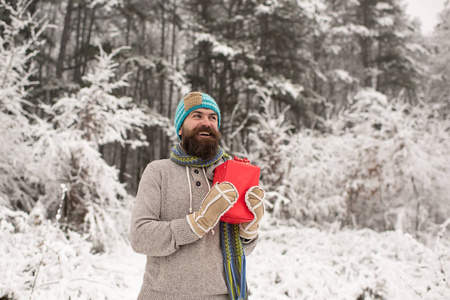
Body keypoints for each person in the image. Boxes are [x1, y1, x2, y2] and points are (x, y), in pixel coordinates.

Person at [130, 91, 265, 300]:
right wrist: (196, 224)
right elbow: (140, 237)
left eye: (212, 117)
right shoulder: (158, 172)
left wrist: (249, 231)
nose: (206, 123)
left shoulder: (232, 173)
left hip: (225, 295)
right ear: (181, 128)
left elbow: (242, 251)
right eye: (197, 116)